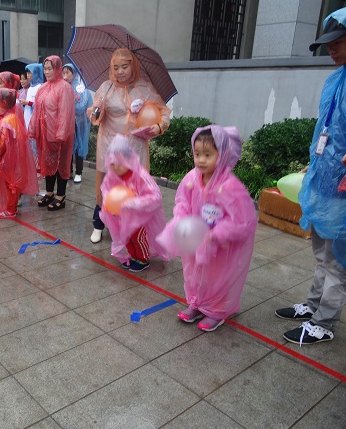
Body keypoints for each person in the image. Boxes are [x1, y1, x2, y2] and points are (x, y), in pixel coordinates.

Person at [275, 8, 346, 345]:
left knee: (337, 259)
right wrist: (314, 164)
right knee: (321, 251)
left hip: (344, 188)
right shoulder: (336, 80)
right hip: (324, 181)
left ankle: (325, 321)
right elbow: (326, 129)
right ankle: (313, 305)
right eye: (329, 44)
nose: (331, 50)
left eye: (339, 42)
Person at [156, 126, 256, 332]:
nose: (201, 160)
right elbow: (182, 201)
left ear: (223, 154)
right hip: (196, 239)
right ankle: (197, 302)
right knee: (193, 271)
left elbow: (243, 220)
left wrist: (217, 234)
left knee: (217, 275)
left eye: (208, 155)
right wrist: (181, 219)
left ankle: (216, 311)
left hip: (220, 244)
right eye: (197, 154)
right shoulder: (192, 179)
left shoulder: (230, 186)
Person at [87, 48, 171, 243]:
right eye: (116, 67)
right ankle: (98, 223)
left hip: (135, 146)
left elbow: (163, 110)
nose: (120, 71)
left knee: (133, 187)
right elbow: (93, 112)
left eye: (124, 67)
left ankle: (130, 228)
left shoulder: (144, 88)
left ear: (133, 67)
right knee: (106, 184)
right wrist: (96, 111)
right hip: (109, 144)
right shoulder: (106, 88)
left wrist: (159, 127)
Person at [99, 135, 168, 272]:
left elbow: (155, 195)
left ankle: (142, 258)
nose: (116, 167)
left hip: (138, 217)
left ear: (128, 159)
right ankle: (133, 256)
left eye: (120, 163)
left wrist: (134, 202)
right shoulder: (113, 175)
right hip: (122, 215)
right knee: (127, 236)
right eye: (113, 164)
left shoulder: (139, 175)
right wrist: (109, 202)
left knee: (138, 237)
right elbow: (106, 189)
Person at [28, 56, 75, 211]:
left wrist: (61, 134)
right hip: (45, 134)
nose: (47, 72)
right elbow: (36, 110)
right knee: (47, 163)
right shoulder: (43, 87)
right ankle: (49, 193)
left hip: (59, 136)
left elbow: (65, 112)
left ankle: (61, 196)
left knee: (61, 163)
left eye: (50, 68)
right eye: (45, 68)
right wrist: (34, 128)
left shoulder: (65, 88)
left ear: (57, 69)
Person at [0, 88, 38, 219]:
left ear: (3, 103)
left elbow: (2, 142)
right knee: (13, 184)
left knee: (8, 185)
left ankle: (9, 210)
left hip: (6, 160)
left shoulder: (6, 122)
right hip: (15, 159)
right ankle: (11, 208)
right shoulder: (13, 118)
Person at [62, 63, 93, 184]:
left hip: (79, 122)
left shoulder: (80, 88)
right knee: (68, 145)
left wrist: (71, 103)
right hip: (67, 121)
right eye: (63, 73)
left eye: (67, 73)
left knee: (79, 146)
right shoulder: (64, 87)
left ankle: (78, 172)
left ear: (73, 73)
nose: (65, 76)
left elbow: (81, 107)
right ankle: (68, 171)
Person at [20, 63, 44, 170]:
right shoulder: (30, 89)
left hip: (35, 122)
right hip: (27, 119)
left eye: (29, 72)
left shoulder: (40, 88)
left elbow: (40, 106)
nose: (28, 75)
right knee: (29, 144)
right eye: (27, 73)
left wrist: (28, 103)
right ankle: (32, 165)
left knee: (36, 145)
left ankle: (38, 166)